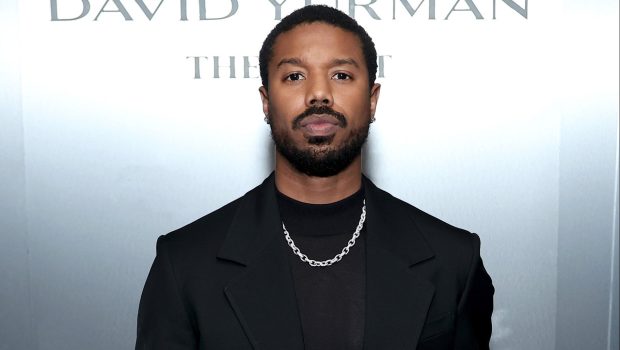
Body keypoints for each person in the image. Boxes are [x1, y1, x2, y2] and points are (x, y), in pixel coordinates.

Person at [135, 5, 494, 350]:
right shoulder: (184, 264)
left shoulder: (453, 260)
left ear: (372, 100)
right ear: (265, 101)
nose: (319, 94)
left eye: (341, 75)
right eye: (294, 76)